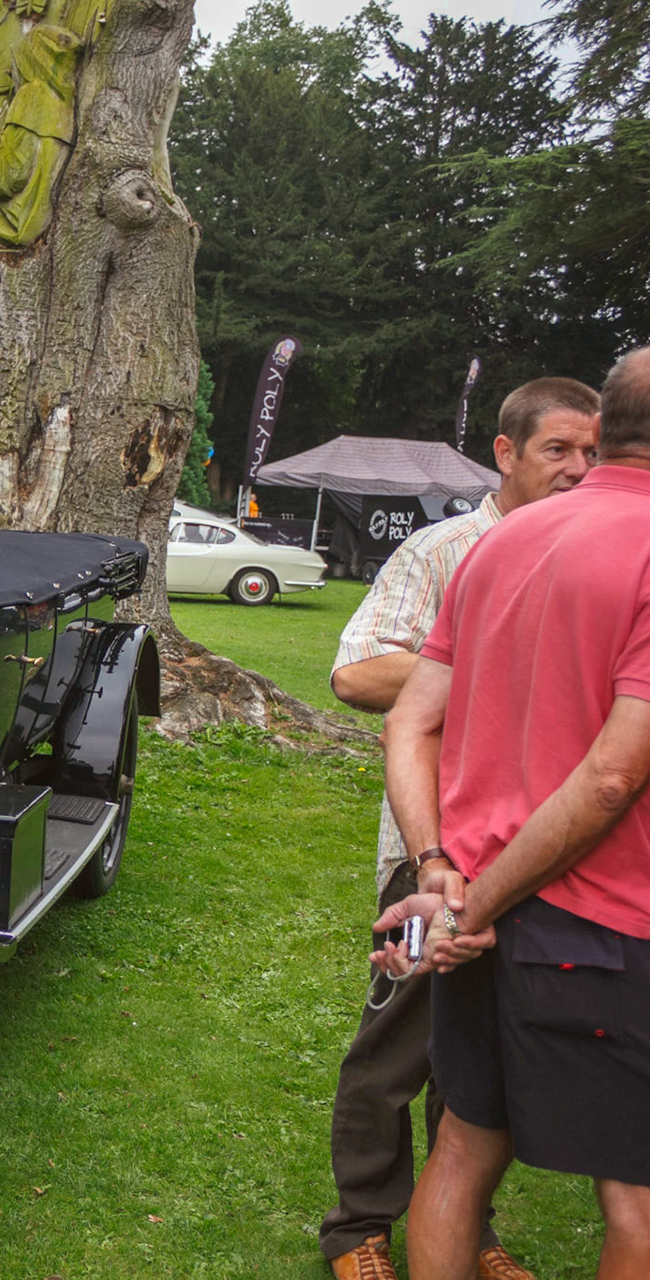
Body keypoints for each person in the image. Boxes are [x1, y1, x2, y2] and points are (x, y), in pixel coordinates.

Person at [375, 346, 650, 1280]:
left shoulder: (502, 539)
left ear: (607, 430)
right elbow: (613, 779)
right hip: (603, 922)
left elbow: (409, 723)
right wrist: (475, 902)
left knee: (462, 1149)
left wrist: (439, 873)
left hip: (475, 909)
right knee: (639, 1199)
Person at [319, 377, 601, 1280]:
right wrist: (497, 673)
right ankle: (358, 1227)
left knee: (479, 1062)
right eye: (559, 450)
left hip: (547, 855)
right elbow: (356, 674)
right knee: (395, 1049)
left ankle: (466, 1229)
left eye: (593, 452)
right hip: (433, 848)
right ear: (505, 453)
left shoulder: (597, 550)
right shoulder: (449, 550)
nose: (578, 469)